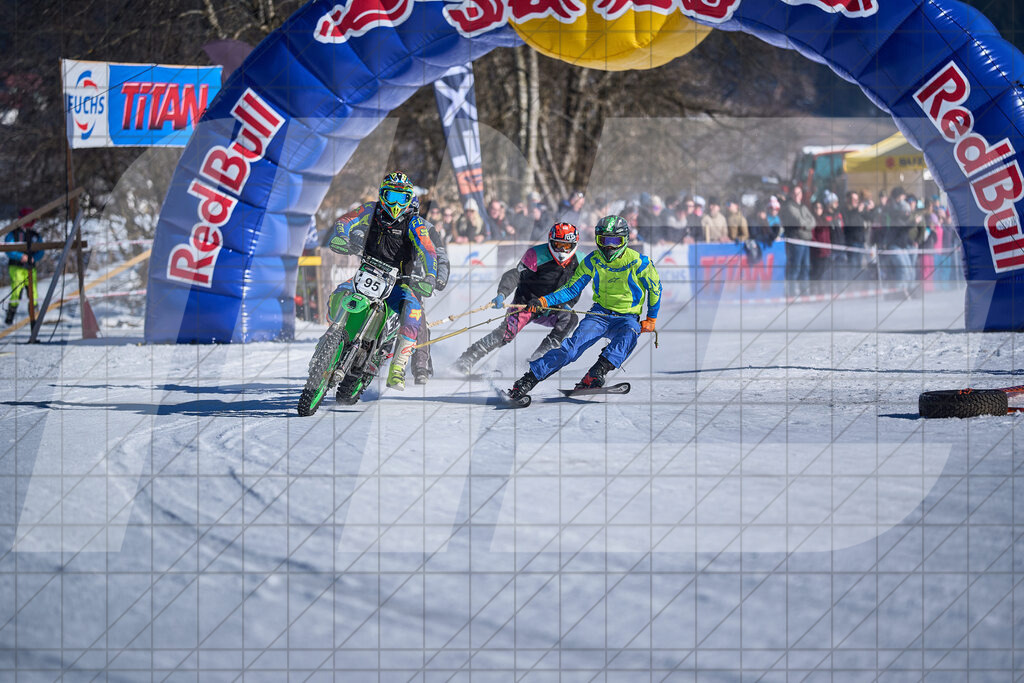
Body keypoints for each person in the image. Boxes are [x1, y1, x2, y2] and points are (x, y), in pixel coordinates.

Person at [506, 215, 662, 401]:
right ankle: (527, 381)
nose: (609, 247)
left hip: (626, 318)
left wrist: (651, 319)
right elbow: (571, 288)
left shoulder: (639, 262)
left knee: (630, 333)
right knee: (570, 350)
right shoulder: (593, 260)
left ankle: (595, 374)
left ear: (625, 240)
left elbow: (655, 289)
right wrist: (544, 301)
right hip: (599, 315)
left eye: (614, 241)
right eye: (604, 241)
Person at [327, 172, 437, 391]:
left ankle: (397, 368)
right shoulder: (371, 210)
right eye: (392, 197)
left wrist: (430, 276)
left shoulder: (414, 223)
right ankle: (334, 333)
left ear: (409, 200)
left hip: (398, 281)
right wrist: (341, 236)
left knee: (414, 311)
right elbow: (345, 220)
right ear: (382, 195)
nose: (396, 204)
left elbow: (429, 250)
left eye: (402, 199)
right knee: (340, 292)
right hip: (367, 273)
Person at [453, 223, 582, 374]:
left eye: (566, 246)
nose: (561, 250)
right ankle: (466, 359)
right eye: (558, 245)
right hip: (526, 303)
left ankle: (540, 358)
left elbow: (578, 286)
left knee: (571, 319)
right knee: (507, 333)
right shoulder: (536, 254)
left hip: (554, 307)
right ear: (550, 242)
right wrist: (502, 293)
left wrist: (568, 303)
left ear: (574, 245)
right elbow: (515, 275)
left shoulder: (581, 261)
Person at [410, 218, 451, 385]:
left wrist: (439, 278)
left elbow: (441, 256)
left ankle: (421, 365)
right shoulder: (383, 219)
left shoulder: (427, 228)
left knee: (417, 319)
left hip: (413, 278)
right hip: (385, 274)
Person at [5, 208, 43, 325]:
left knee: (33, 292)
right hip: (16, 267)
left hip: (31, 268)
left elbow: (41, 250)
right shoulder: (13, 234)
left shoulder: (35, 235)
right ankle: (10, 318)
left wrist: (33, 258)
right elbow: (8, 249)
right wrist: (20, 256)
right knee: (16, 291)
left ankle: (34, 318)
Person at [782, 186, 815, 296]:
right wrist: (806, 224)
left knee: (805, 267)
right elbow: (799, 221)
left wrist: (807, 226)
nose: (796, 196)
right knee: (795, 268)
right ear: (791, 195)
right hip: (796, 240)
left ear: (801, 195)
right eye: (794, 193)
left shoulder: (803, 207)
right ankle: (791, 293)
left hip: (806, 240)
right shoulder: (789, 207)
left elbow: (813, 221)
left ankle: (804, 293)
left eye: (798, 193)